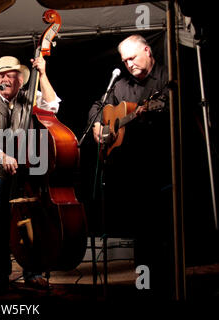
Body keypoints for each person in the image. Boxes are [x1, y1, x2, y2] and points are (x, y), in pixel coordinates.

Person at [88, 34, 173, 298]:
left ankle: (168, 288)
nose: (128, 64)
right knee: (142, 234)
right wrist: (98, 125)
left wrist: (148, 114)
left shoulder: (167, 78)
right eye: (124, 60)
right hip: (132, 172)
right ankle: (144, 288)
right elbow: (97, 107)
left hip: (163, 169)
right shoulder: (121, 85)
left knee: (164, 234)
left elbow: (171, 108)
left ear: (147, 50)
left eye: (132, 57)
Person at [0, 56, 61, 294]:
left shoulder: (32, 98)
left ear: (21, 79)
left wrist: (42, 75)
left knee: (31, 225)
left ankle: (32, 273)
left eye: (10, 74)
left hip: (29, 173)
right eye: (0, 75)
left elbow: (54, 106)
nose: (4, 78)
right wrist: (2, 156)